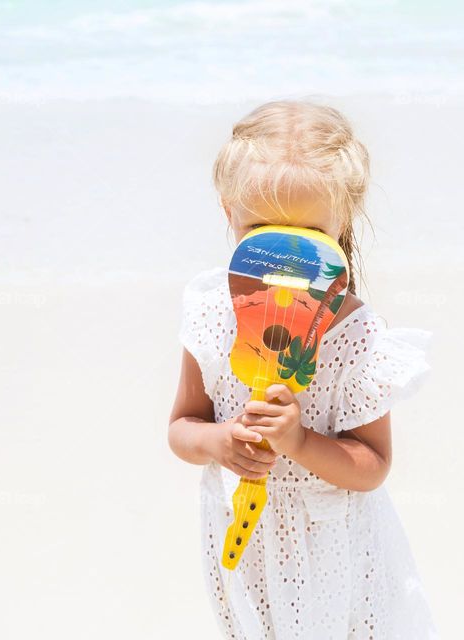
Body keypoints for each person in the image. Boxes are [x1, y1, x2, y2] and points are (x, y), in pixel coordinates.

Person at [168, 100, 438, 639]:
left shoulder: (356, 335)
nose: (287, 257)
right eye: (262, 230)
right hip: (246, 542)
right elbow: (182, 428)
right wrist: (221, 441)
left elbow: (371, 466)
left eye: (310, 235)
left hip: (335, 547)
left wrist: (300, 441)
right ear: (229, 213)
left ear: (343, 222)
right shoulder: (210, 315)